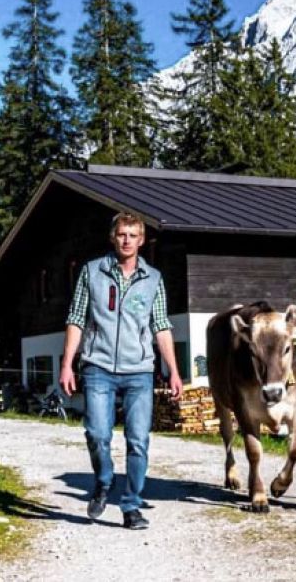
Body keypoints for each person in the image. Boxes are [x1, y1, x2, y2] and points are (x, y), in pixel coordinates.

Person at [60, 212, 184, 530]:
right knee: (98, 435)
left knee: (138, 440)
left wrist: (173, 370)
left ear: (141, 240)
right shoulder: (92, 272)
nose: (126, 240)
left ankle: (130, 506)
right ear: (113, 237)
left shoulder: (153, 279)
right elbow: (76, 319)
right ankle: (103, 482)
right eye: (121, 234)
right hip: (97, 366)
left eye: (133, 235)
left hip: (139, 370)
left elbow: (161, 326)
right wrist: (66, 364)